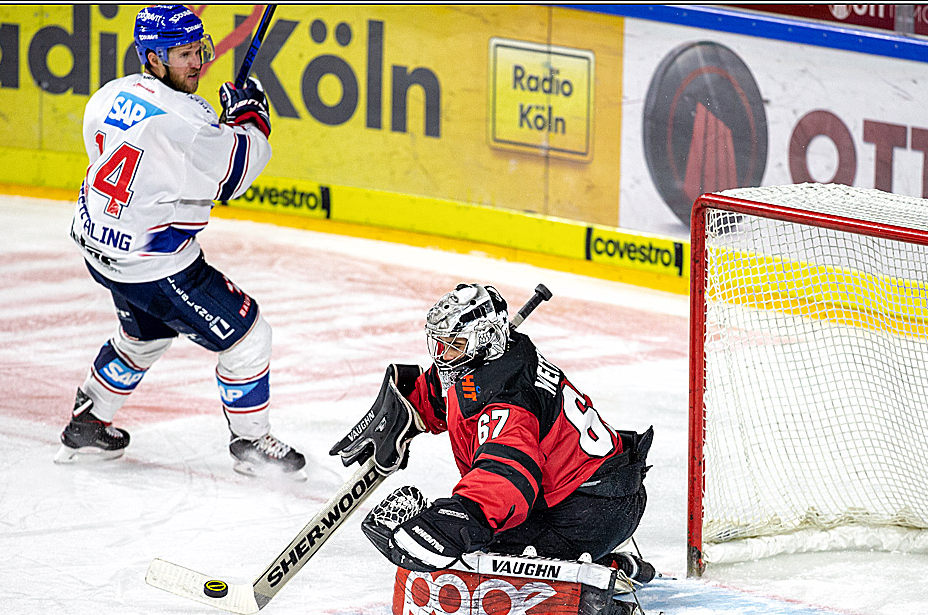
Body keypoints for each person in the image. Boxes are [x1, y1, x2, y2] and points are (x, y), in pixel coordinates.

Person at [55, 5, 305, 478]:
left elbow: (134, 159)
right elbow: (236, 174)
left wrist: (218, 131)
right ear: (153, 57)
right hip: (155, 267)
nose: (197, 63)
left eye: (198, 51)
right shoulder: (189, 120)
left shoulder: (110, 94)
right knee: (250, 339)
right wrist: (250, 121)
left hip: (98, 247)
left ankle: (88, 424)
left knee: (145, 335)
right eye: (184, 54)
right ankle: (251, 445)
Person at [331, 283, 654, 581]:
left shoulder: (507, 400)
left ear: (486, 338)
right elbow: (458, 390)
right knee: (475, 541)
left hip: (584, 517)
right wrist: (408, 406)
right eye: (439, 344)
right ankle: (592, 559)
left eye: (454, 345)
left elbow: (508, 473)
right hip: (593, 498)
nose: (442, 356)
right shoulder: (504, 355)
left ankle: (599, 566)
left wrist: (460, 517)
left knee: (474, 560)